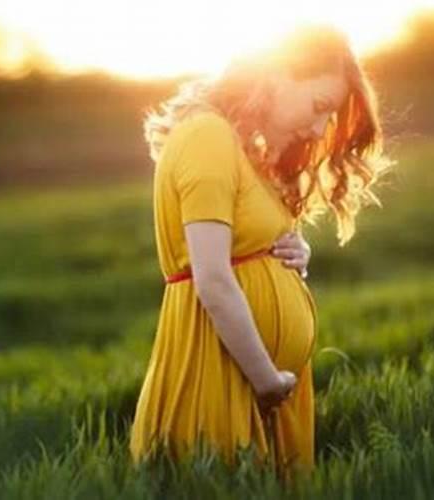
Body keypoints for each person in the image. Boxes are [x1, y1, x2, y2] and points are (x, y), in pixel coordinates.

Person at [129, 23, 394, 483]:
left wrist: (289, 254)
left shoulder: (239, 147)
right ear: (275, 75)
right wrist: (267, 379)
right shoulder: (207, 136)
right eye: (318, 107)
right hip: (226, 371)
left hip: (261, 380)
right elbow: (210, 278)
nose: (317, 129)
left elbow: (240, 247)